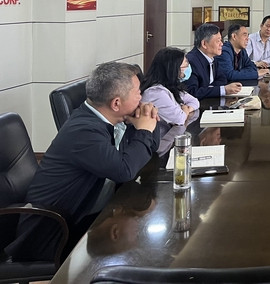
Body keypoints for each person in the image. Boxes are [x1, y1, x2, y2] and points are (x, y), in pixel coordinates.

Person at [5, 62, 159, 262]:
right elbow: (124, 170)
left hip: (83, 218)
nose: (142, 98)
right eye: (138, 93)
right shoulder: (84, 131)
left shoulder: (108, 121)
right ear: (116, 103)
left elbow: (149, 148)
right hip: (50, 235)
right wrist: (144, 130)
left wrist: (147, 121)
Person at [141, 47, 199, 126]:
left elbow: (194, 101)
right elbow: (179, 119)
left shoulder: (171, 86)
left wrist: (185, 111)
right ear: (173, 70)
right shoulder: (156, 93)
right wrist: (185, 109)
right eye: (185, 66)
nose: (187, 68)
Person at [185, 23, 243, 100]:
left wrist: (208, 89)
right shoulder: (191, 61)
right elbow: (192, 92)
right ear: (204, 44)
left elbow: (222, 79)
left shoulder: (212, 57)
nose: (221, 44)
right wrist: (223, 90)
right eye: (218, 41)